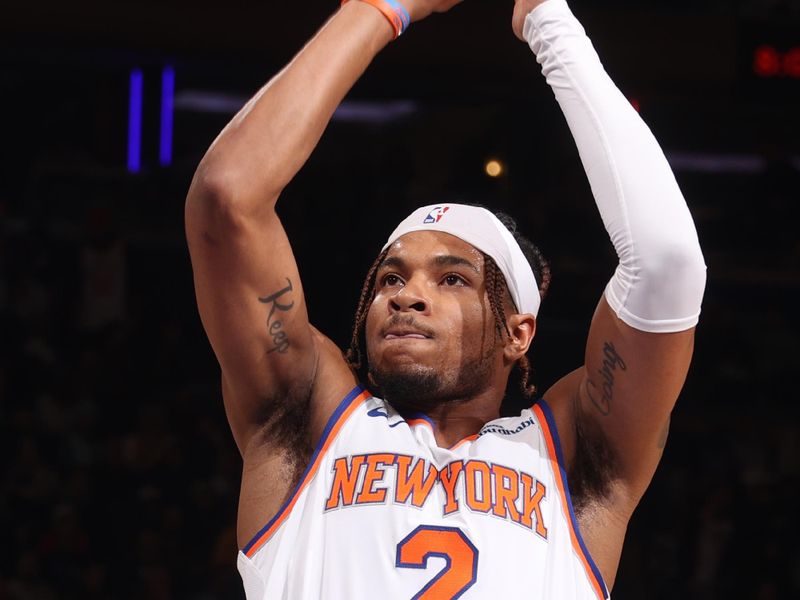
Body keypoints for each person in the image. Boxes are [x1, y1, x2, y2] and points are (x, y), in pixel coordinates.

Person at [185, 0, 706, 597]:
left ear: (518, 332)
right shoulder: (306, 423)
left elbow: (667, 263)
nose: (407, 296)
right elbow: (227, 198)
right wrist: (382, 9)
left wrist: (548, 22)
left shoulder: (574, 459)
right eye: (389, 278)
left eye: (452, 278)